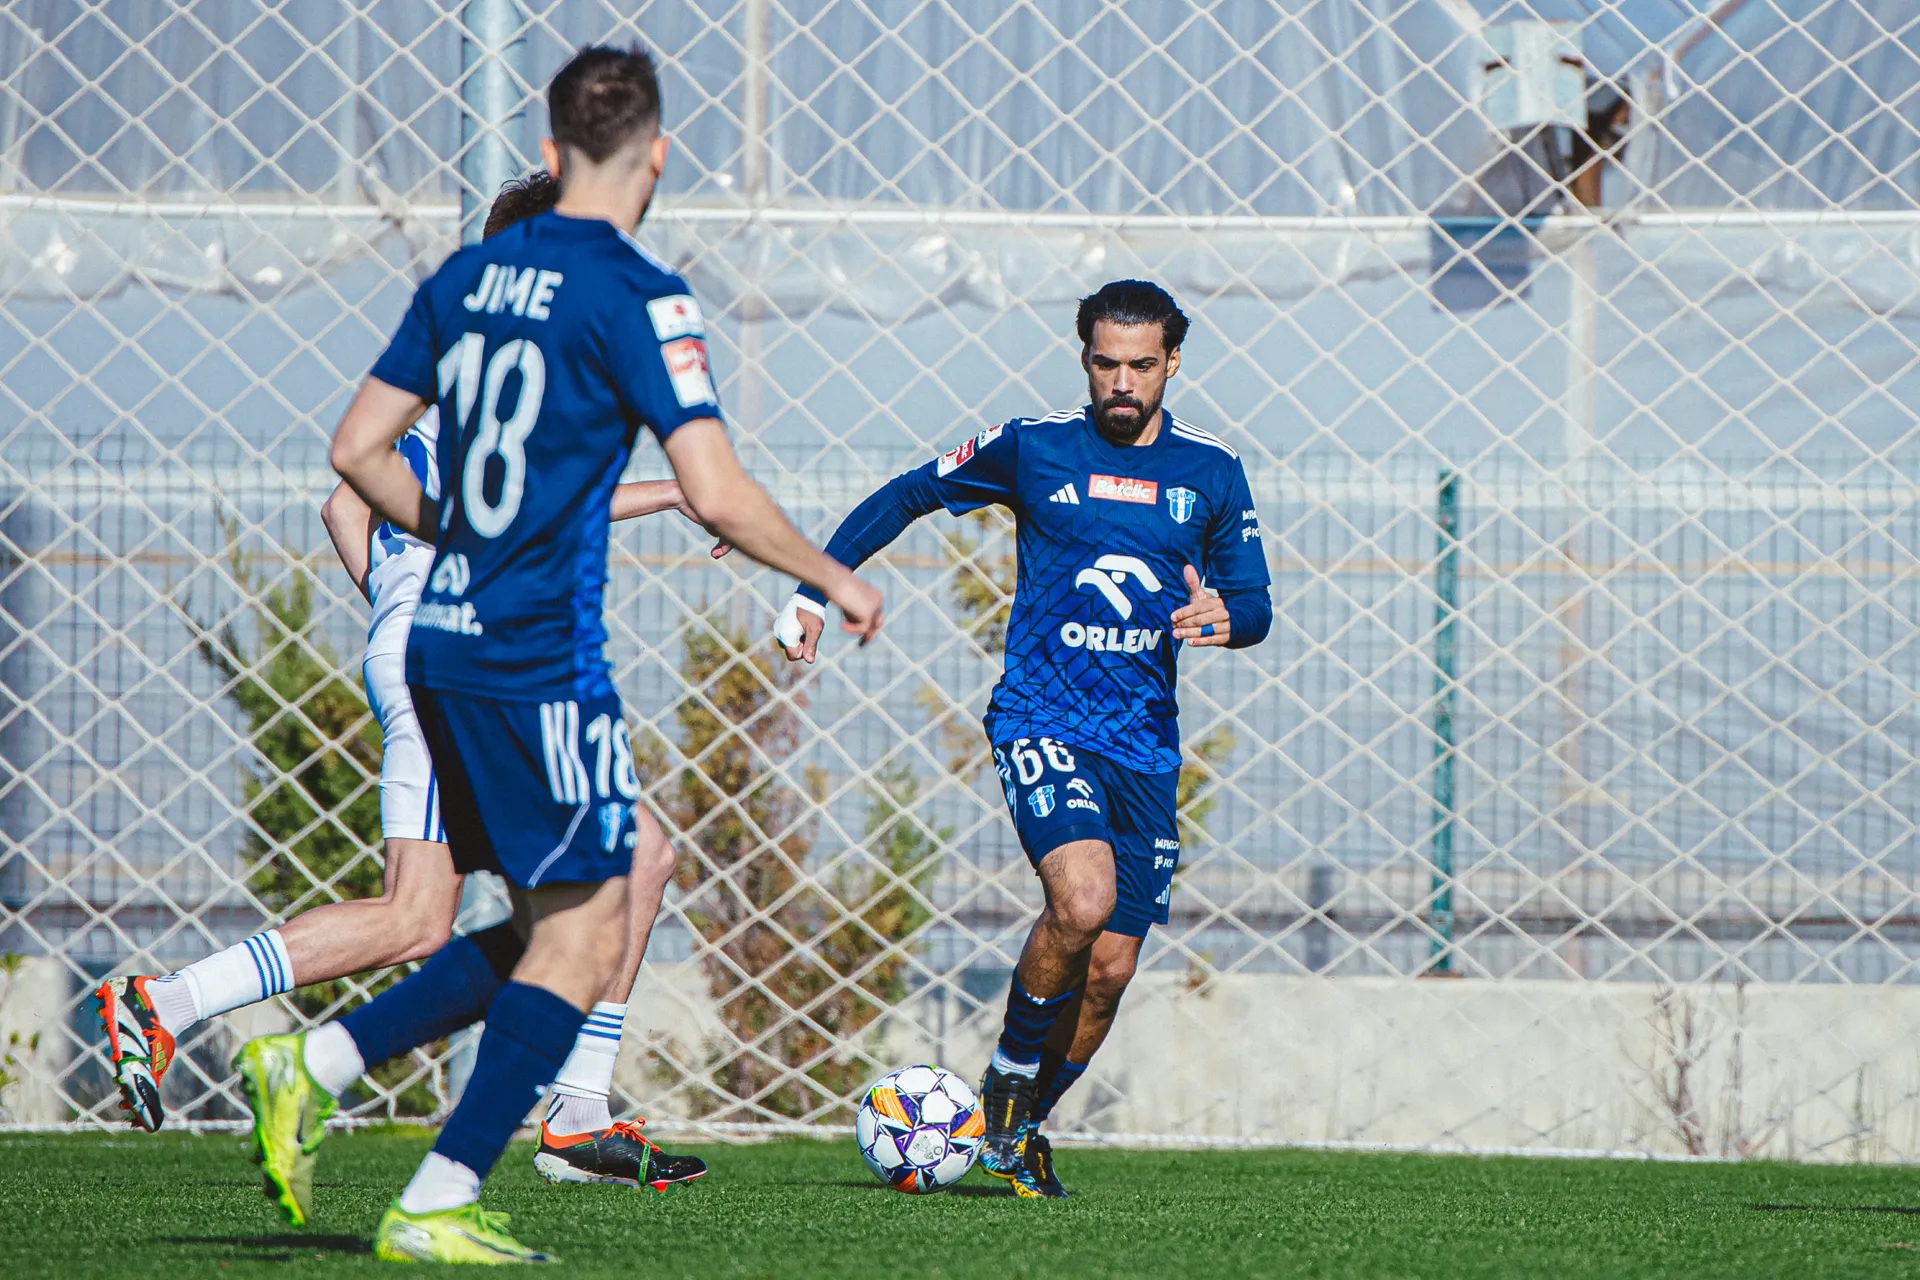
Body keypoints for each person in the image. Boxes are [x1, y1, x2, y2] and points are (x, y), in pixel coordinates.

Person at [293, 44, 879, 1262]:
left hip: (441, 636)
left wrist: (457, 532)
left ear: (553, 154)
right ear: (655, 156)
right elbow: (717, 491)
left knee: (584, 906)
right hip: (535, 654)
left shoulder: (466, 277)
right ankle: (384, 1128)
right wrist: (829, 573)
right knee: (588, 923)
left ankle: (344, 1076)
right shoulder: (639, 295)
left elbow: (355, 454)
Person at [94, 170, 715, 1200]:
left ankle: (170, 1005)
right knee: (621, 863)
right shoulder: (529, 357)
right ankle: (553, 1113)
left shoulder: (460, 361)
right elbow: (528, 501)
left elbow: (346, 505)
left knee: (434, 914)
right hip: (470, 661)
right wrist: (685, 495)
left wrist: (396, 605)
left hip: (429, 651)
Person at [775, 280, 1270, 1198]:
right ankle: (1006, 1079)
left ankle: (1018, 1132)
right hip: (1042, 716)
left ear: (1172, 363)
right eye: (1106, 363)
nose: (1122, 382)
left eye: (1142, 366)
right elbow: (909, 493)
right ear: (1085, 359)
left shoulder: (1212, 470)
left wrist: (1227, 618)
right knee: (1081, 901)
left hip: (1145, 744)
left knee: (1110, 968)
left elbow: (1255, 604)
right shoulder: (1033, 447)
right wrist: (817, 588)